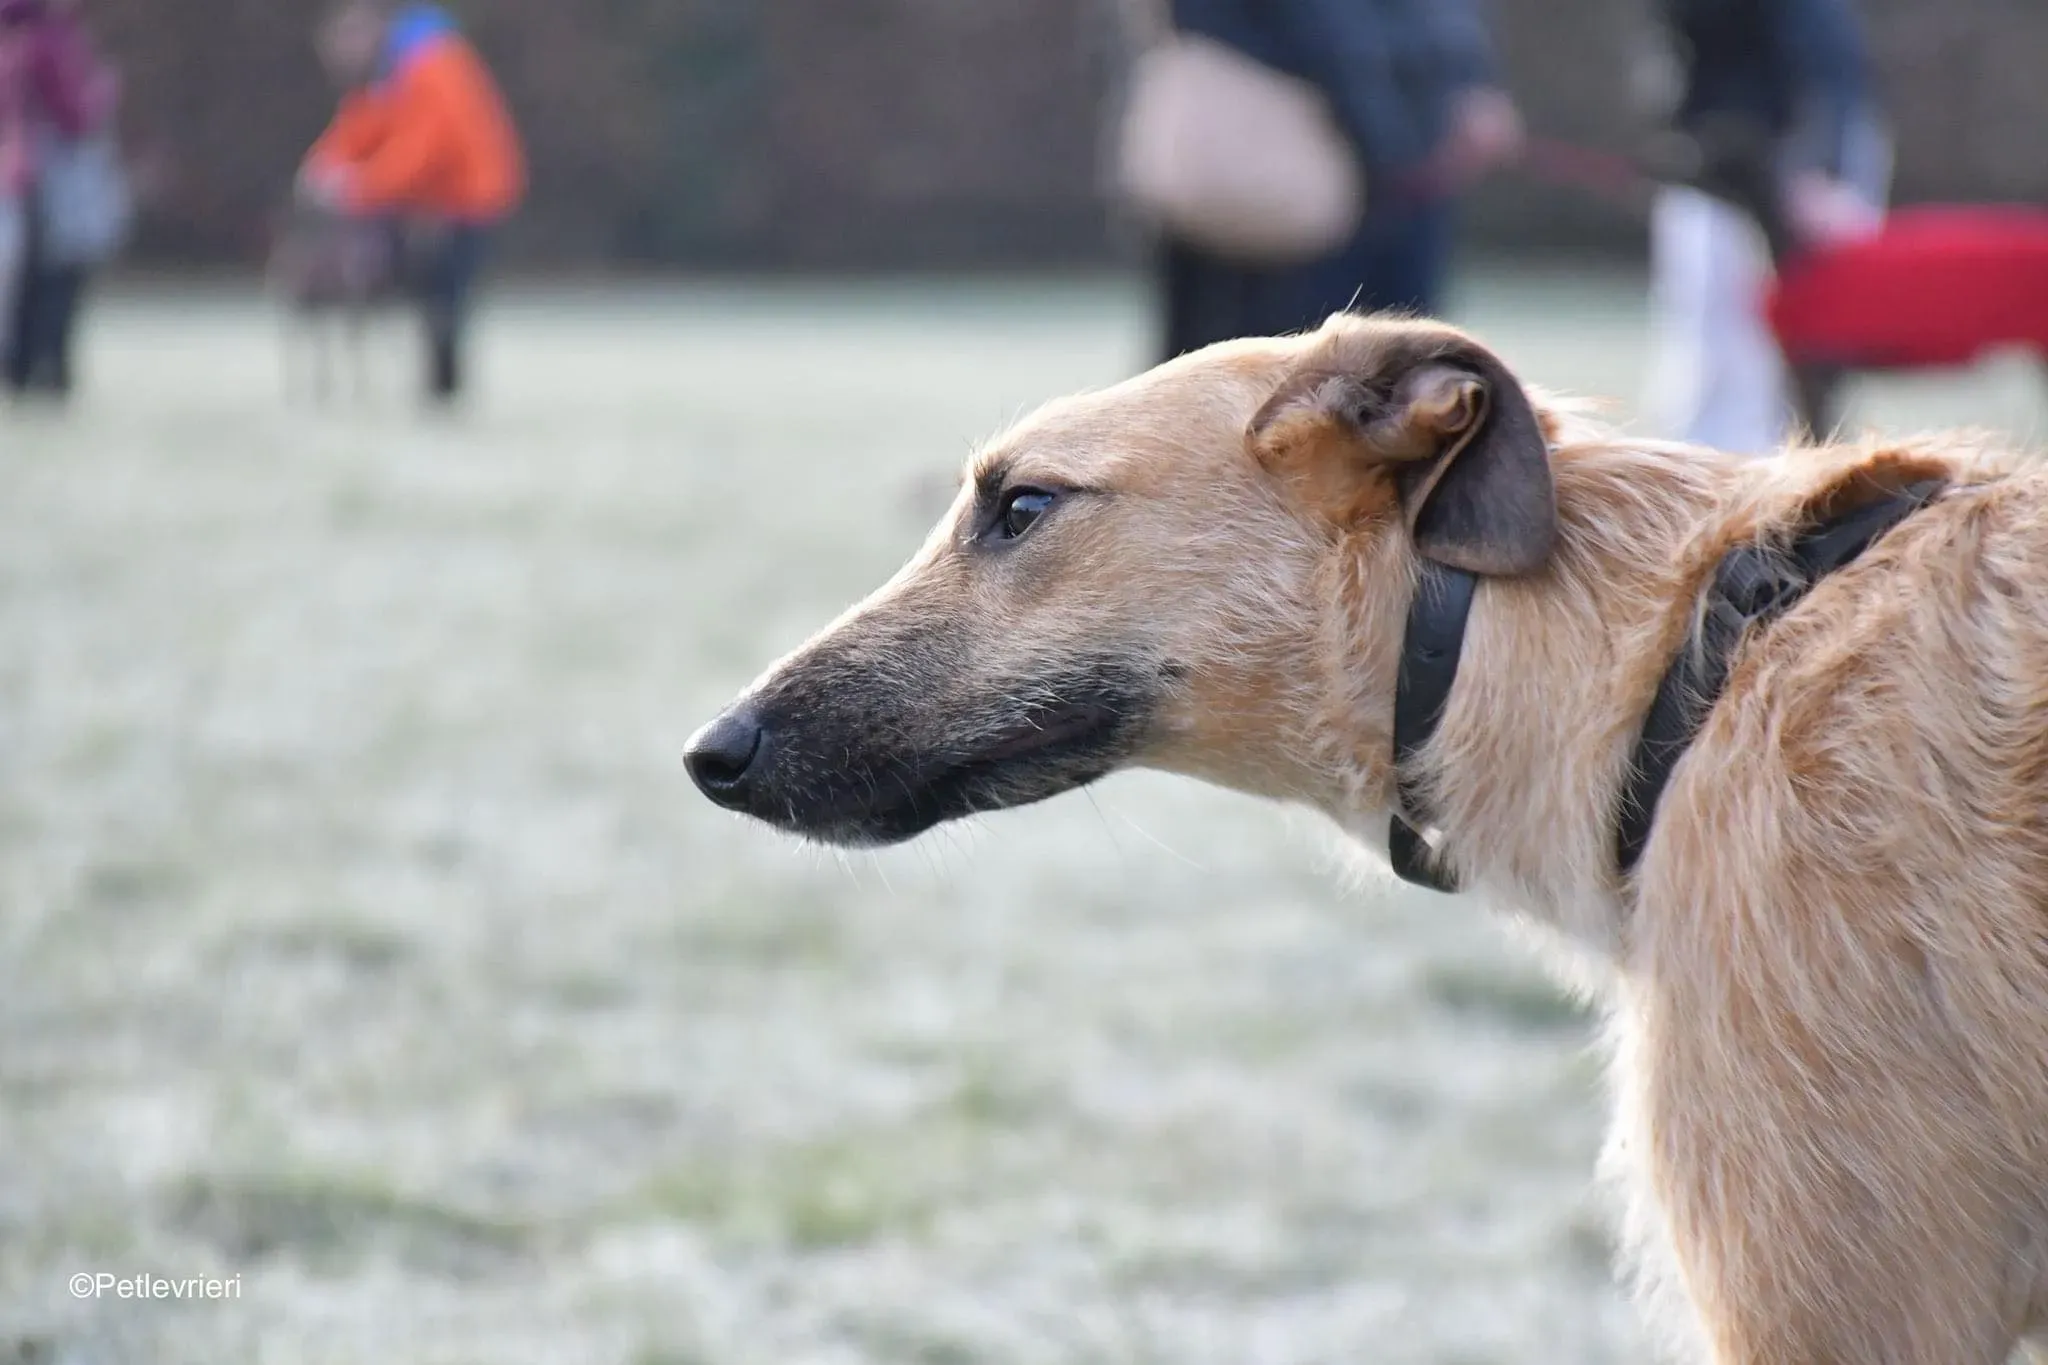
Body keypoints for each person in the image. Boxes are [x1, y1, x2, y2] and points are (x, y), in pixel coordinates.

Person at [1155, 0, 1522, 362]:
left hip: (1384, 147)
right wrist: (1396, 136)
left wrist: (1468, 82)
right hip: (1289, 144)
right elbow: (1324, 29)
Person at [1642, 0, 1888, 453]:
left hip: (1791, 154)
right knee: (1710, 348)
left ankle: (1798, 480)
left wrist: (1821, 165)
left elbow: (1830, 58)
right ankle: (1711, 475)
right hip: (1716, 157)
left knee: (1796, 350)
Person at [299, 1, 524, 403]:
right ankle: (437, 393)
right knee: (434, 297)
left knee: (444, 300)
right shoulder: (395, 67)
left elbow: (425, 146)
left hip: (467, 197)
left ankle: (443, 394)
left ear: (368, 32)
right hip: (431, 201)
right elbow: (364, 127)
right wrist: (323, 164)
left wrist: (359, 188)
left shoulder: (430, 62)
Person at [2, 0, 118, 400]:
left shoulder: (24, 37)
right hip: (50, 173)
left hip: (26, 176)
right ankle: (46, 368)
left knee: (28, 279)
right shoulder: (44, 39)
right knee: (56, 275)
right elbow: (76, 114)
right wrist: (102, 91)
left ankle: (25, 368)